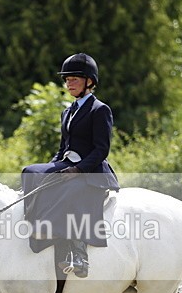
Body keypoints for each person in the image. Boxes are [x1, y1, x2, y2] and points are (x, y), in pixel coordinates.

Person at [21, 53, 119, 278]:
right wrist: (52, 167)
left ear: (89, 82)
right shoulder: (68, 111)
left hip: (90, 170)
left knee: (70, 191)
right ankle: (38, 228)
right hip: (66, 163)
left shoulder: (99, 110)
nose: (69, 83)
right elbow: (63, 147)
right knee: (30, 171)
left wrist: (78, 170)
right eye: (67, 79)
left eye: (75, 79)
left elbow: (101, 149)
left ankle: (78, 252)